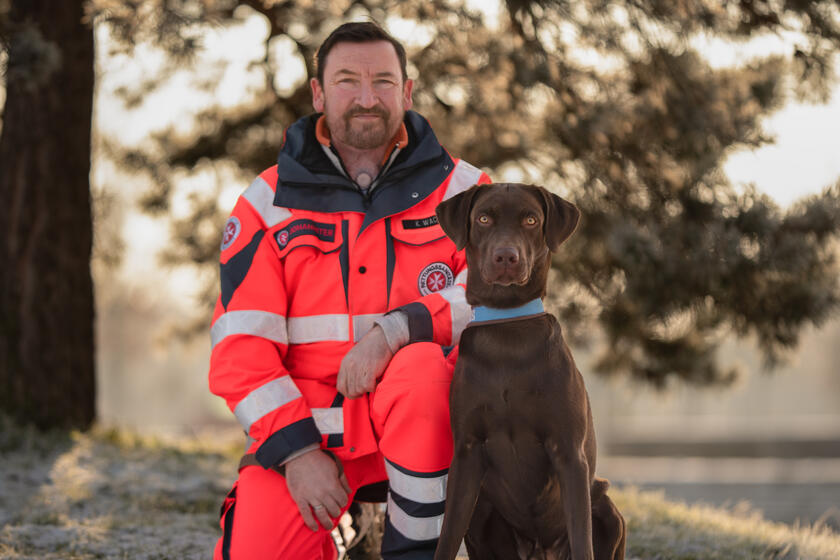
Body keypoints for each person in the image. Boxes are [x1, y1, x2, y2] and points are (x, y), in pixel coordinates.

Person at [209, 21, 491, 560]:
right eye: (346, 81)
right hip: (311, 438)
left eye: (383, 82)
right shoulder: (267, 203)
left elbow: (492, 301)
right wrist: (296, 455)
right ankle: (346, 527)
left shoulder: (464, 192)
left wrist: (395, 331)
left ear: (407, 92)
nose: (367, 98)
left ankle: (414, 549)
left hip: (428, 433)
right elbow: (240, 351)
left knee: (420, 366)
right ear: (318, 93)